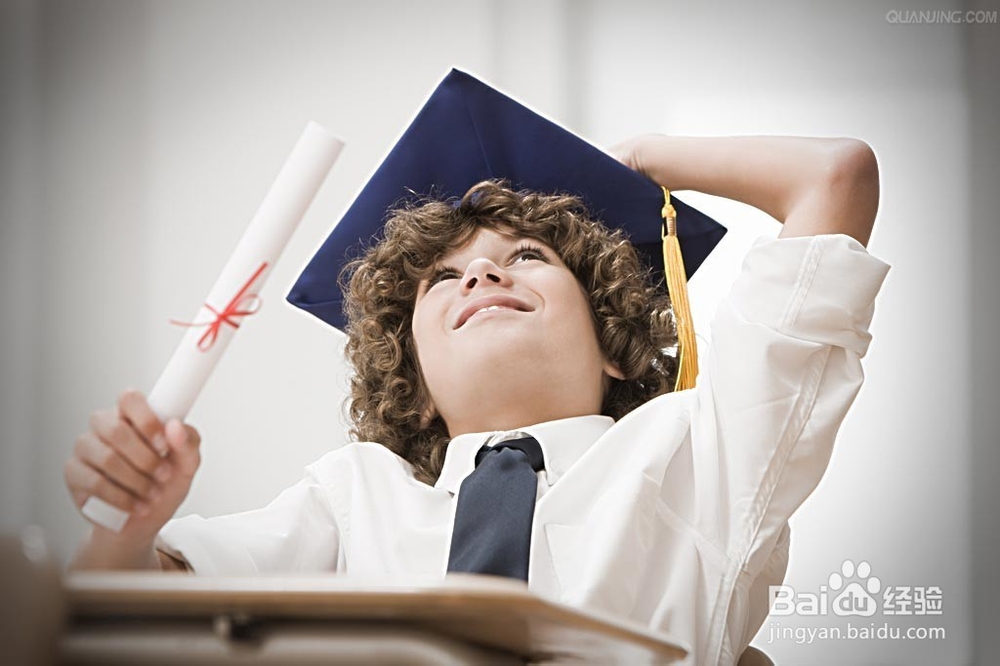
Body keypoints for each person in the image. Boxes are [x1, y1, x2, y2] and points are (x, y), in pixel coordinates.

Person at [63, 72, 888, 666]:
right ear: (414, 382)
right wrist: (127, 525)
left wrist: (640, 160)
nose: (483, 276)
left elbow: (833, 176)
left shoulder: (701, 454)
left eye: (525, 256)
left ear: (610, 339)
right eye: (444, 279)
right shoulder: (352, 499)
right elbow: (131, 616)